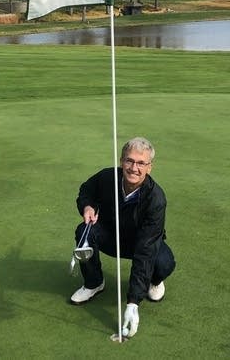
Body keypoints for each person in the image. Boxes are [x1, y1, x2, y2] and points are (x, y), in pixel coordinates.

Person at [70, 137, 176, 337]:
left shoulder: (156, 199)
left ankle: (154, 282)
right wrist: (87, 206)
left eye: (141, 163)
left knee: (164, 263)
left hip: (142, 242)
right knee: (85, 230)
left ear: (149, 167)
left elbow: (146, 251)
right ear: (121, 161)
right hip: (111, 236)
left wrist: (133, 303)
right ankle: (94, 283)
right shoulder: (107, 177)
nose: (134, 167)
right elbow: (86, 190)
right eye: (129, 160)